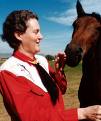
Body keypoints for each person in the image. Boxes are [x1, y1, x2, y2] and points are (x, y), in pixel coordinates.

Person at [0, 10, 101, 121]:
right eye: (36, 32)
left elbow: (61, 90)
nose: (41, 36)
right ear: (19, 35)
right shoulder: (9, 71)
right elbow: (30, 118)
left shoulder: (41, 60)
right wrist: (81, 113)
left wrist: (59, 71)